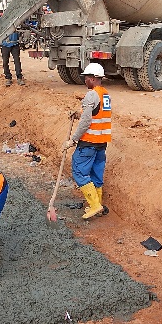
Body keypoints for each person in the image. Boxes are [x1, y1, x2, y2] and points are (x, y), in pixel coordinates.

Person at [62, 63, 111, 219]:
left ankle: (95, 205)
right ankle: (97, 205)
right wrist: (79, 113)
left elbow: (87, 121)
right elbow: (96, 113)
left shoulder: (91, 94)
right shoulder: (105, 94)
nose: (85, 81)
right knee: (96, 174)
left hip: (89, 142)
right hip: (102, 143)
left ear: (93, 78)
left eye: (86, 78)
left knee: (79, 171)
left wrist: (73, 140)